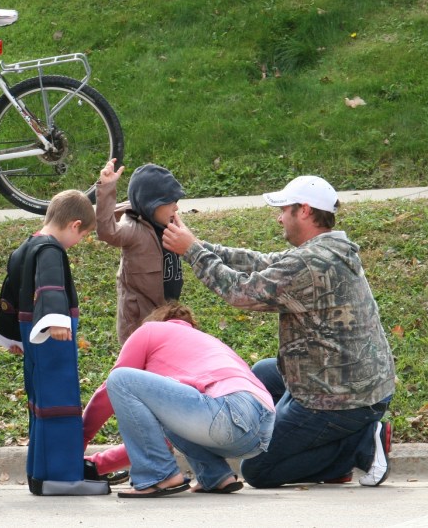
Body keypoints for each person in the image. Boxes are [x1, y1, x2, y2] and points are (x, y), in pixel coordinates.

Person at [162, 175, 397, 488]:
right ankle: (327, 462)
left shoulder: (310, 264)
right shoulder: (332, 248)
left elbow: (241, 292)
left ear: (304, 211)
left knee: (258, 470)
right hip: (357, 381)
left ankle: (361, 444)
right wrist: (199, 246)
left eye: (284, 210)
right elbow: (263, 262)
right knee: (263, 374)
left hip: (341, 397)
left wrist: (192, 252)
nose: (279, 217)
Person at [87, 302, 275, 498]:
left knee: (120, 379)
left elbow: (107, 392)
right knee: (165, 416)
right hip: (261, 430)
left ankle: (159, 475)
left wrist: (80, 438)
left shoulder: (151, 330)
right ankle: (216, 477)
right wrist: (98, 465)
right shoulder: (207, 344)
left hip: (229, 410)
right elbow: (159, 434)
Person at [0, 190, 110, 496]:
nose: (79, 241)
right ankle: (62, 477)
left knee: (40, 404)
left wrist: (12, 337)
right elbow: (51, 283)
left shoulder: (25, 247)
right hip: (52, 335)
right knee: (60, 402)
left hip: (32, 334)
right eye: (82, 235)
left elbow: (10, 293)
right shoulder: (50, 251)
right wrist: (56, 320)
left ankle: (39, 474)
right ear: (75, 224)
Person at [96, 159, 186, 344]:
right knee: (140, 368)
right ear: (151, 204)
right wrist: (106, 188)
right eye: (171, 202)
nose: (176, 207)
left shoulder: (170, 224)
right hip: (139, 322)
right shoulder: (133, 230)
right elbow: (106, 231)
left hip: (167, 312)